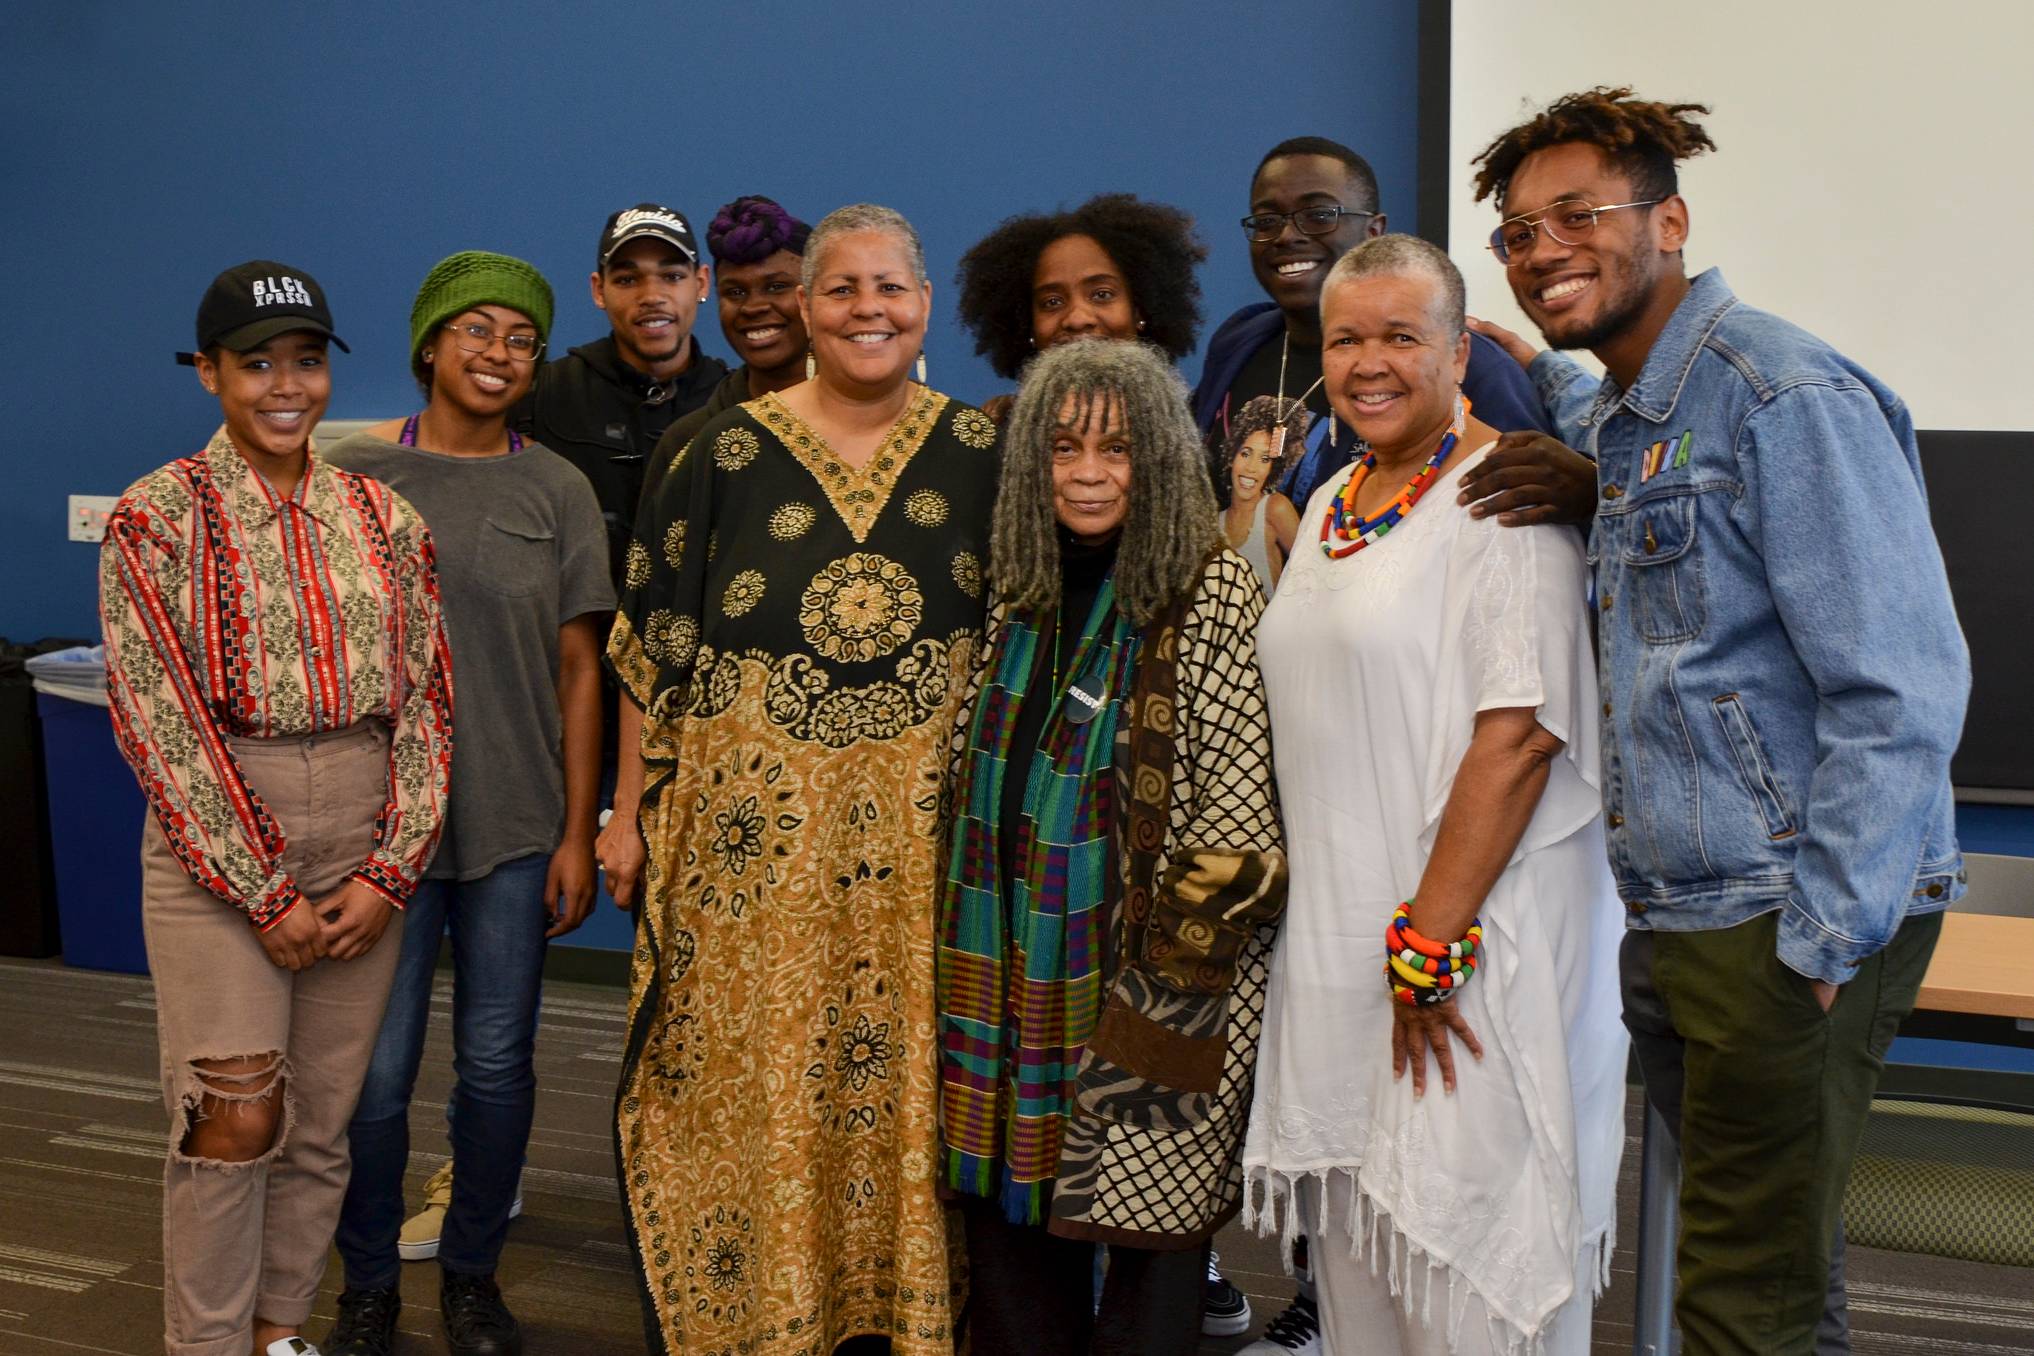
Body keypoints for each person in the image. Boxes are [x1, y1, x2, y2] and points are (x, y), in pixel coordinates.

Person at [1464, 88, 1968, 1355]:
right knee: (1778, 1269)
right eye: (1519, 233)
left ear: (1671, 220)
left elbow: (1902, 688)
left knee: (1738, 1299)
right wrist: (1537, 373)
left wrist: (1822, 942)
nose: (1542, 250)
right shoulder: (1642, 413)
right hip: (1691, 911)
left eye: (1578, 214)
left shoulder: (1783, 396)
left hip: (1785, 920)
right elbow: (1617, 443)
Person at [600, 204, 995, 1354]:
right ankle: (767, 1309)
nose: (867, 309)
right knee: (754, 1083)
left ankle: (900, 1312)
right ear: (803, 311)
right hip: (752, 873)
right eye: (842, 290)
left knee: (907, 1084)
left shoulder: (983, 455)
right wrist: (630, 813)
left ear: (924, 307)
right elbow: (649, 652)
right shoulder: (718, 454)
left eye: (890, 288)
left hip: (921, 861)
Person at [1242, 235, 1626, 1355]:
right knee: (1365, 1285)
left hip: (1462, 963)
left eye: (1401, 336)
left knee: (1467, 1283)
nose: (1369, 362)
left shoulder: (1503, 498)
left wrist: (1429, 946)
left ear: (1459, 350)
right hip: (1346, 958)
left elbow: (1519, 737)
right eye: (1345, 338)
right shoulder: (1330, 505)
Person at [102, 261, 452, 1356]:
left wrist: (391, 868)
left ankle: (277, 1332)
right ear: (210, 374)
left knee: (319, 1124)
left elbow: (430, 699)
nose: (286, 385)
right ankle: (206, 1345)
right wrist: (260, 888)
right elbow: (158, 715)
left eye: (305, 361)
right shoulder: (157, 517)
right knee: (234, 1115)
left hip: (361, 830)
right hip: (220, 836)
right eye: (258, 364)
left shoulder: (380, 513)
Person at [938, 338, 1287, 1353]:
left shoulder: (1213, 593)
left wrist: (1161, 1003)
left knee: (1147, 1239)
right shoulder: (1015, 592)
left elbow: (1242, 823)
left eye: (1118, 451)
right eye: (1061, 449)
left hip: (1155, 985)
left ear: (1166, 461)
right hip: (1004, 976)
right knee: (1014, 1225)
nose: (1087, 475)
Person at [318, 253, 612, 1356]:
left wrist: (580, 831)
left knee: (496, 1066)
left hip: (515, 825)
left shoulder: (558, 488)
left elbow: (583, 669)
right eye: (476, 331)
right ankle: (367, 1284)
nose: (498, 354)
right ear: (430, 344)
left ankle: (475, 1275)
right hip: (373, 831)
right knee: (375, 1075)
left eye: (521, 339)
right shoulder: (350, 474)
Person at [1190, 137, 1552, 519]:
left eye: (1317, 215)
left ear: (1374, 231)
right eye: (1267, 221)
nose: (1286, 236)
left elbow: (1526, 519)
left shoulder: (1469, 365)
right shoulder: (1239, 342)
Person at [513, 201, 728, 590]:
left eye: (672, 276)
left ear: (702, 283)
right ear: (599, 290)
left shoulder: (737, 402)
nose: (652, 295)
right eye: (628, 280)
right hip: (576, 641)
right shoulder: (541, 396)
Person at [955, 192, 1207, 424]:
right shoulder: (998, 433)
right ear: (1027, 325)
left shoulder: (1198, 426)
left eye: (1101, 294)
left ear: (1139, 311)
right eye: (1052, 302)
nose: (1077, 318)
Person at [642, 194, 813, 501]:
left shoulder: (872, 421)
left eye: (776, 287)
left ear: (816, 296)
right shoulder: (687, 443)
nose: (753, 307)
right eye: (735, 292)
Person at [1216, 395, 1307, 592]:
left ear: (1273, 468)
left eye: (1265, 459)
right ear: (1232, 456)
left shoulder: (1275, 508)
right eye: (1246, 454)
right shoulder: (1215, 524)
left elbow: (1311, 575)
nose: (1251, 468)